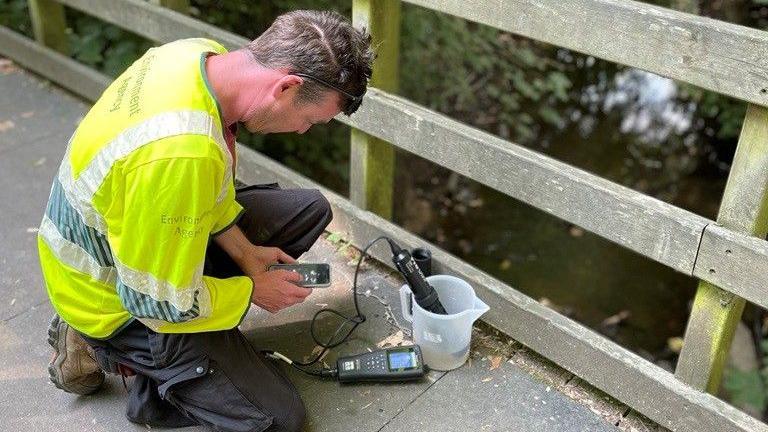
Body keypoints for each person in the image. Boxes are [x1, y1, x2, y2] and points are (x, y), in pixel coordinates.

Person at [38, 10, 374, 432]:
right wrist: (251, 290)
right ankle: (121, 360)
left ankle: (193, 357)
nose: (303, 132)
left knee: (309, 211)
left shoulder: (200, 58)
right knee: (278, 418)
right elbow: (157, 303)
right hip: (116, 298)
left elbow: (210, 187)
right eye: (309, 120)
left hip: (147, 231)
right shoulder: (182, 154)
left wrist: (247, 254)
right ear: (287, 86)